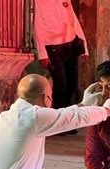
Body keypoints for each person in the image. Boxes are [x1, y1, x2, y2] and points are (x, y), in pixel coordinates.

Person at [34, 0, 88, 134]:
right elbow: (37, 26)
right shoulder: (39, 2)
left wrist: (85, 48)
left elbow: (74, 21)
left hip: (70, 46)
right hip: (52, 47)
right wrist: (42, 53)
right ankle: (57, 123)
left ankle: (67, 122)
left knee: (71, 84)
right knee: (61, 84)